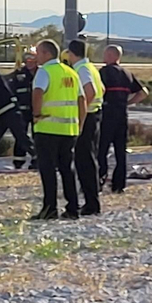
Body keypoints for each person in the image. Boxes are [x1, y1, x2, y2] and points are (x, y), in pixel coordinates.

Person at [30, 39, 84, 220]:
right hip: (69, 129)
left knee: (48, 170)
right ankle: (73, 207)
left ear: (47, 54)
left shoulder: (44, 72)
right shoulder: (71, 72)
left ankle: (50, 208)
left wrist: (36, 114)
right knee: (67, 169)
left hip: (47, 128)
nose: (36, 56)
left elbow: (37, 92)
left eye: (38, 52)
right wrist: (80, 124)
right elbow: (82, 100)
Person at [98, 45, 146, 194]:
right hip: (122, 116)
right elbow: (143, 92)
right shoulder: (127, 73)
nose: (103, 57)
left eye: (105, 54)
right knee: (120, 152)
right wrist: (128, 102)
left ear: (112, 55)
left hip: (107, 115)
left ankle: (99, 180)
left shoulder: (104, 72)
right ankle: (119, 185)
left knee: (102, 150)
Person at [63, 39, 103, 216]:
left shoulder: (82, 69)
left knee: (84, 162)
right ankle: (91, 201)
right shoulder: (91, 67)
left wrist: (82, 112)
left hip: (87, 119)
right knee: (88, 160)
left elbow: (91, 91)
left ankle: (91, 203)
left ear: (71, 53)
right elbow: (102, 88)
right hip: (95, 116)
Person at [7, 49, 38, 168]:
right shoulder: (19, 74)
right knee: (21, 136)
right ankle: (18, 161)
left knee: (38, 136)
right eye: (28, 60)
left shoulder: (42, 72)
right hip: (23, 111)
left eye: (32, 60)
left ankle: (36, 160)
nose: (29, 62)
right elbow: (12, 91)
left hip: (36, 110)